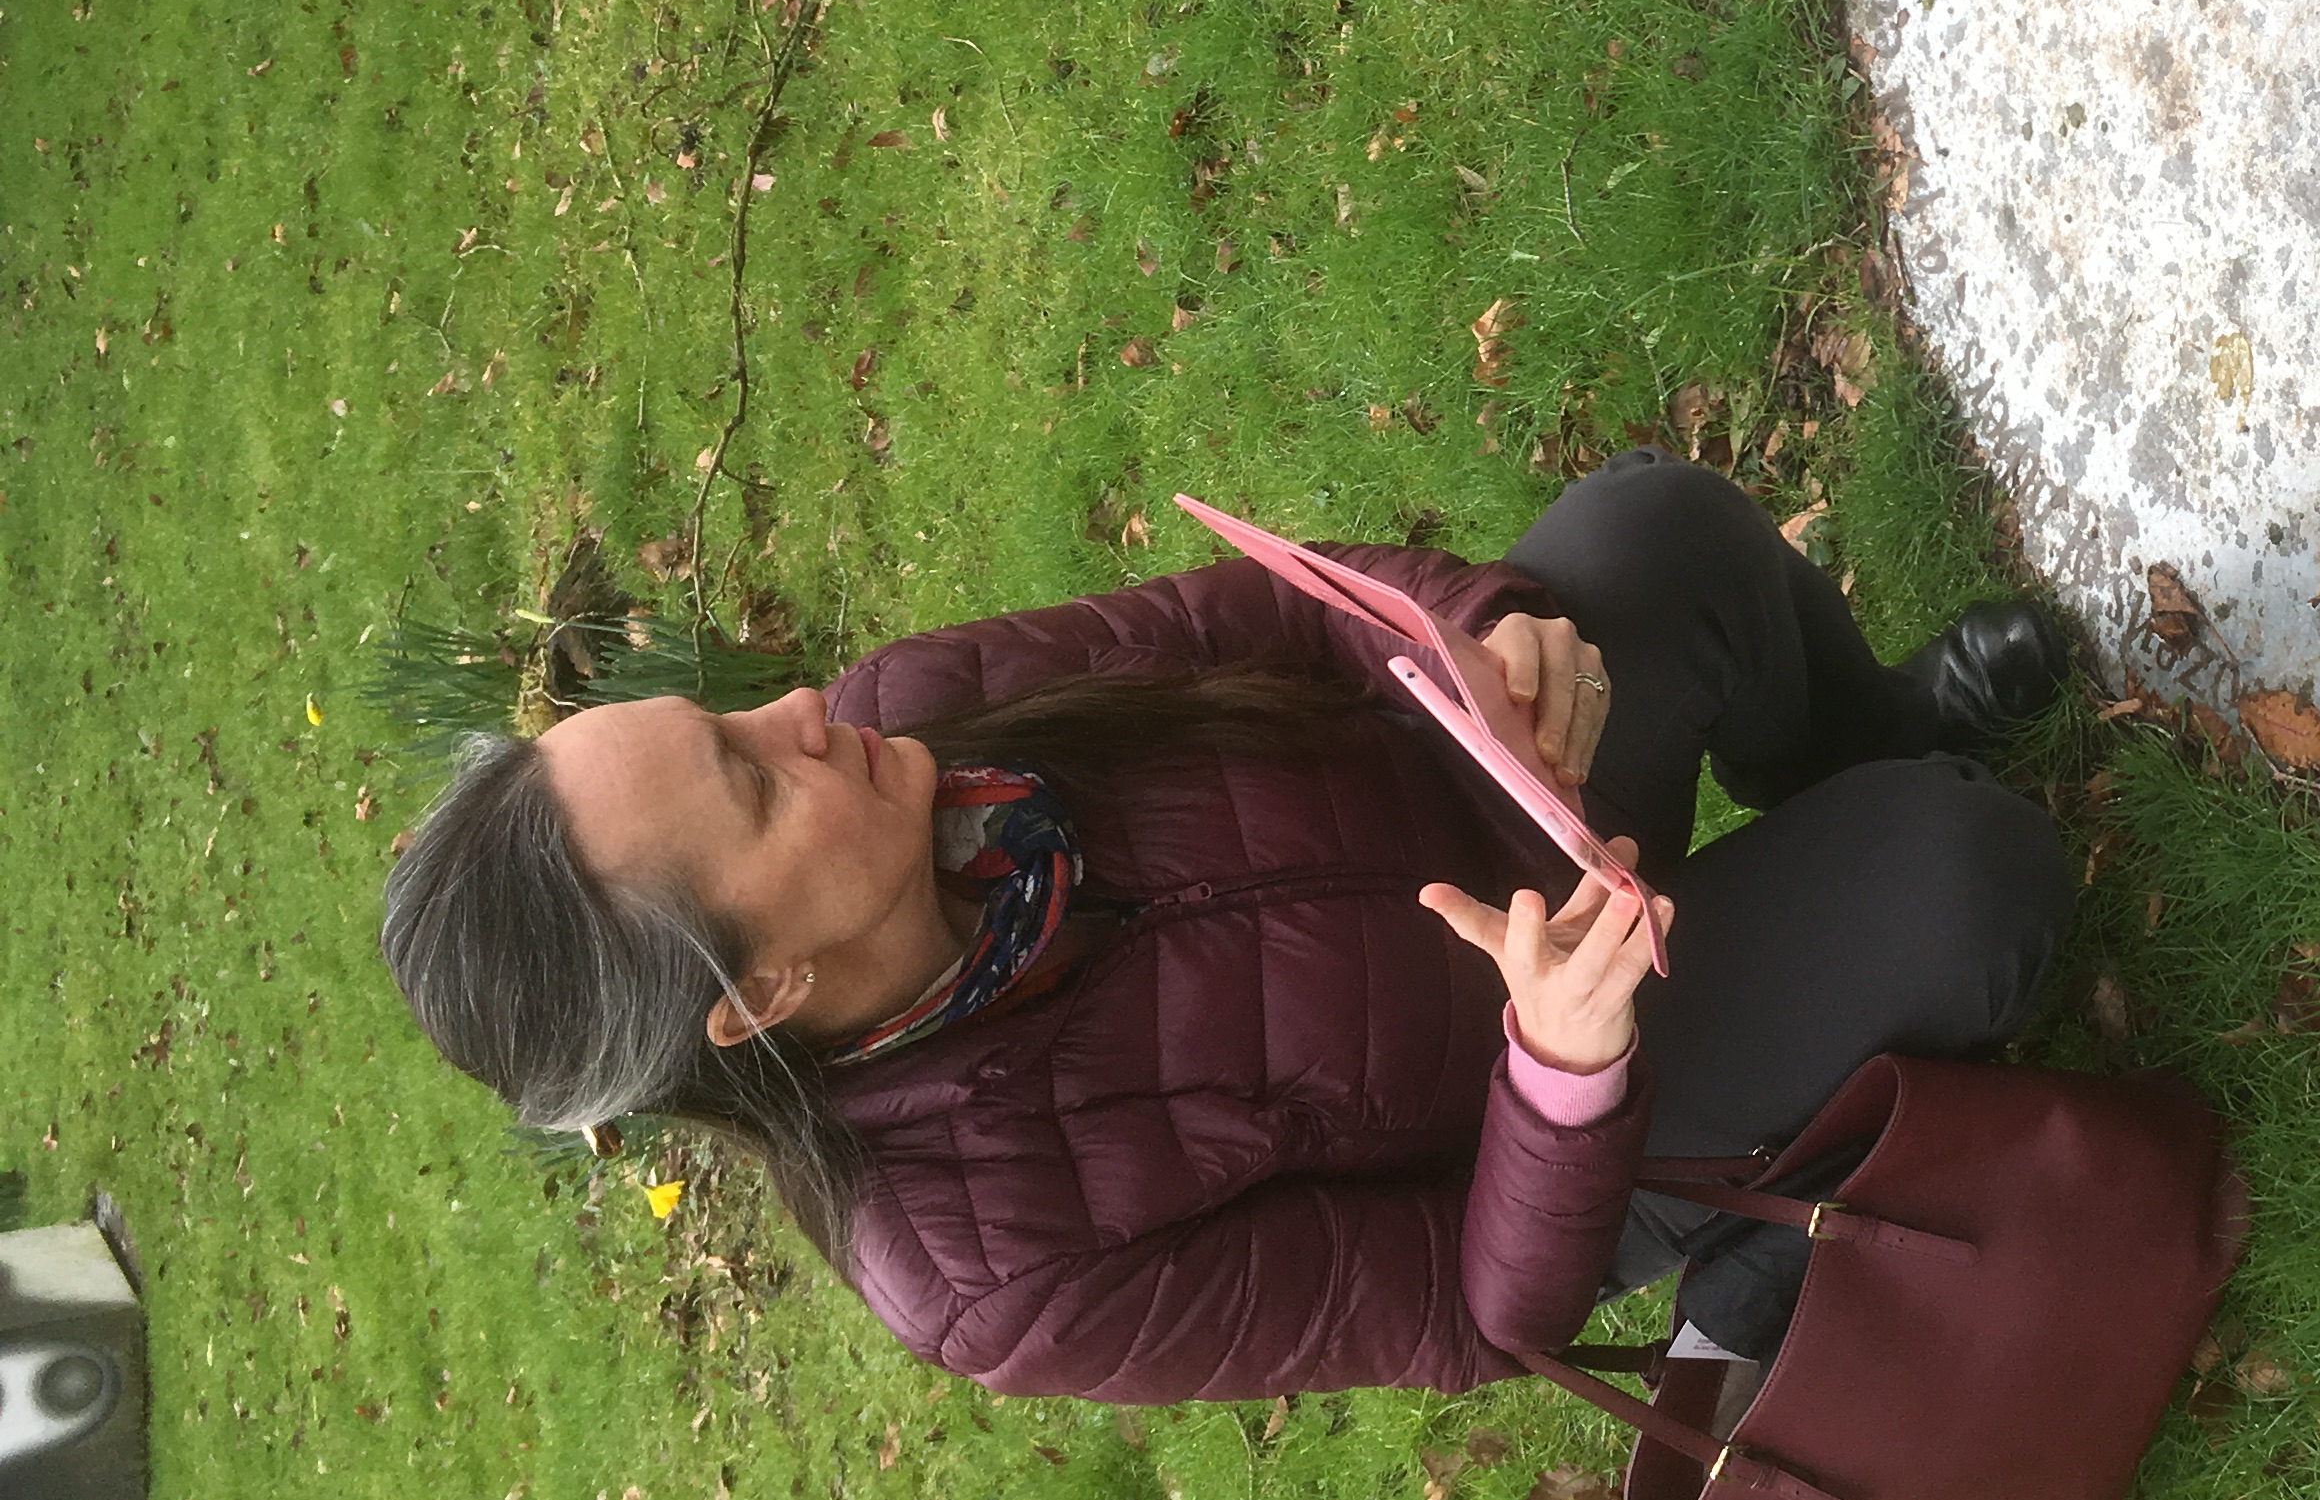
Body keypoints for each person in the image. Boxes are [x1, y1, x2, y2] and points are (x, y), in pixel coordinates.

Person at [376, 449, 2076, 1400]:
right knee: (1970, 875)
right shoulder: (990, 1266)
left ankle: (1869, 734)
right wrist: (1565, 1074)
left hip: (1504, 786)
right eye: (755, 784)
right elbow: (1475, 1312)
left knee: (1658, 532)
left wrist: (1475, 637)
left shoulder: (918, 709)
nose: (805, 708)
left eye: (730, 716)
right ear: (756, 994)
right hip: (1558, 1102)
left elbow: (1276, 610)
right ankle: (1754, 1229)